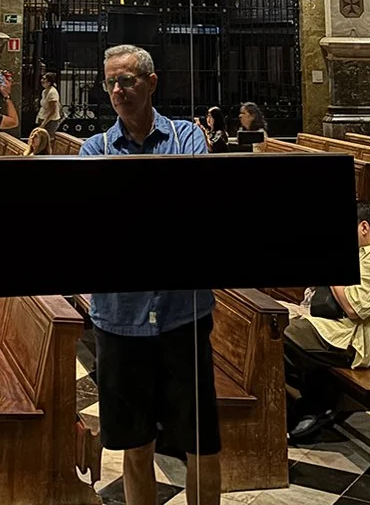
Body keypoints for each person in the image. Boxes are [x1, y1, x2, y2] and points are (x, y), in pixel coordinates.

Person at [79, 45, 220, 505]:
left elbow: (196, 215)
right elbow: (89, 230)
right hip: (120, 318)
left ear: (152, 82)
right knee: (135, 445)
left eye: (128, 81)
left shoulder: (187, 139)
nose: (118, 91)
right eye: (111, 83)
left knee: (200, 444)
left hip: (183, 314)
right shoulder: (93, 151)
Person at [284, 200, 370, 443]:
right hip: (332, 327)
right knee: (270, 323)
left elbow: (353, 308)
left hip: (350, 342)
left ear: (363, 227)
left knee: (282, 335)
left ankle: (309, 406)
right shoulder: (360, 255)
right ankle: (304, 403)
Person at [36, 71, 62, 137]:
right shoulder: (44, 91)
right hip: (43, 118)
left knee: (47, 140)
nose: (42, 80)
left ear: (49, 82)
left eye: (44, 79)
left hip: (50, 121)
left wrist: (44, 123)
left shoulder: (52, 92)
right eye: (42, 78)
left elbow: (53, 111)